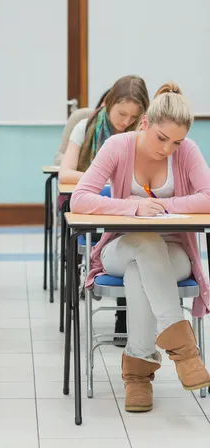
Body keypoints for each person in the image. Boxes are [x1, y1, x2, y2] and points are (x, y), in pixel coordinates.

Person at [71, 82, 210, 413]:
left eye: (176, 142)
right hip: (119, 247)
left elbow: (208, 195)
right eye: (162, 138)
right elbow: (80, 197)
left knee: (140, 273)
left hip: (173, 253)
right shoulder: (118, 146)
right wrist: (132, 207)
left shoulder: (188, 151)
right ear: (145, 123)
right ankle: (184, 351)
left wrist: (164, 205)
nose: (168, 149)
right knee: (143, 245)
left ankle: (138, 375)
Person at [59, 75, 150, 343]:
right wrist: (103, 179)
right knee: (77, 232)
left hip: (126, 213)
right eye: (121, 113)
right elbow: (65, 174)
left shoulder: (143, 136)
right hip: (94, 205)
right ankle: (80, 290)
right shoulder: (86, 127)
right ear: (109, 102)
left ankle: (124, 317)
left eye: (132, 117)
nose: (125, 121)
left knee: (135, 241)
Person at [54, 89, 110, 166]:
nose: (104, 107)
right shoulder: (81, 120)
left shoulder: (125, 127)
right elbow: (59, 157)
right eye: (104, 103)